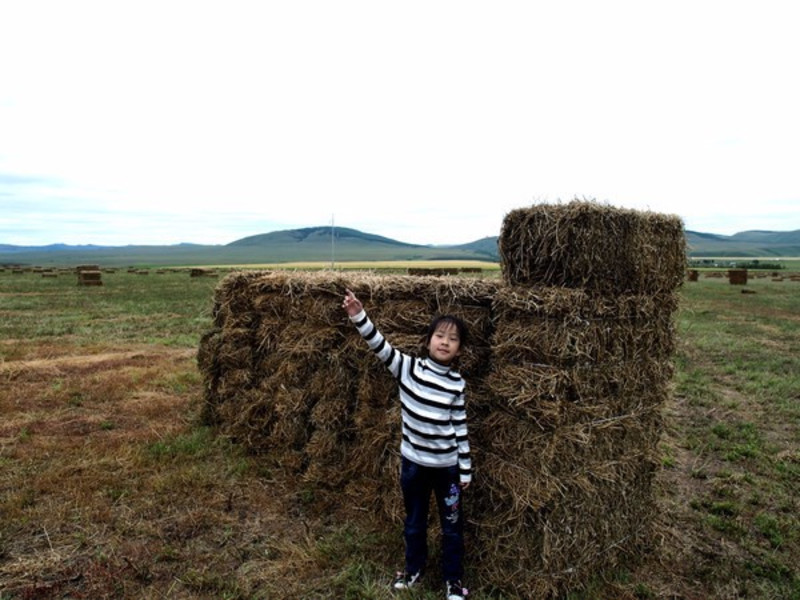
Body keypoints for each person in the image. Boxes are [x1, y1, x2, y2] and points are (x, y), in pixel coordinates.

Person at [342, 288, 471, 600]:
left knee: (451, 527)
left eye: (453, 339)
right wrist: (359, 316)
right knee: (414, 522)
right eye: (440, 335)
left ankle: (453, 582)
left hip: (447, 470)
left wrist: (465, 469)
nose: (445, 342)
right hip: (413, 466)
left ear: (459, 349)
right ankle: (414, 569)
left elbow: (460, 427)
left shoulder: (456, 384)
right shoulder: (408, 368)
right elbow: (379, 346)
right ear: (428, 340)